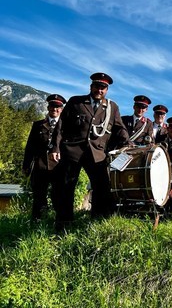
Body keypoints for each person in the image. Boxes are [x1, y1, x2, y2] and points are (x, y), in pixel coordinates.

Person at [51, 73, 129, 228]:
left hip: (97, 154)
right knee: (66, 187)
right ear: (91, 86)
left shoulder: (112, 107)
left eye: (103, 88)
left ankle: (96, 221)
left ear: (107, 90)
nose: (99, 90)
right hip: (72, 151)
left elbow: (119, 128)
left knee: (102, 187)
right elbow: (61, 127)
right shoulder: (76, 102)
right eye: (97, 86)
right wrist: (55, 147)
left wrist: (128, 142)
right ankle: (64, 222)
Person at [23, 94, 66, 220]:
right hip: (40, 165)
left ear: (61, 109)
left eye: (58, 107)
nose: (55, 109)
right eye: (52, 106)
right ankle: (37, 221)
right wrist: (26, 165)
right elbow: (30, 147)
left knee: (58, 194)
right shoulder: (38, 125)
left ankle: (59, 220)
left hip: (59, 166)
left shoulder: (66, 126)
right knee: (38, 195)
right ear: (48, 107)